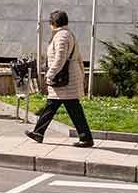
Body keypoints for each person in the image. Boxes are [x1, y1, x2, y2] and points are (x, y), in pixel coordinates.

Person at [25, 9, 93, 148]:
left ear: (54, 23)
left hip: (65, 80)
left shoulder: (62, 36)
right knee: (54, 106)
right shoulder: (67, 34)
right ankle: (38, 132)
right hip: (66, 79)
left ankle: (86, 138)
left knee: (70, 108)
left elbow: (60, 58)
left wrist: (50, 74)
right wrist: (82, 75)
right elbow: (78, 57)